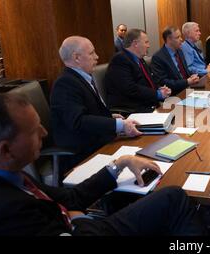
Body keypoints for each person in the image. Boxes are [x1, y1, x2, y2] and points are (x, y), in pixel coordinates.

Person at [0, 93, 204, 236]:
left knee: (168, 198)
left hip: (81, 223)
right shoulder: (7, 209)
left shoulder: (12, 173)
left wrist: (120, 163)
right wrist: (78, 219)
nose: (44, 133)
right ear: (5, 150)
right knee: (174, 197)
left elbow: (70, 198)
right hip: (90, 229)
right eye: (34, 131)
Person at [50, 36, 142, 174]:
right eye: (92, 53)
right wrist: (119, 125)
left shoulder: (80, 78)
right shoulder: (66, 84)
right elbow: (78, 121)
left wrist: (110, 117)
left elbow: (87, 112)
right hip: (83, 154)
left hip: (99, 142)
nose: (97, 57)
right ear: (76, 57)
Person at [105, 29, 171, 113]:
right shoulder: (120, 60)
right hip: (132, 109)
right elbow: (130, 89)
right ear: (135, 43)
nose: (148, 46)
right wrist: (157, 94)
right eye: (146, 42)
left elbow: (149, 80)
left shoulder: (140, 59)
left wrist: (160, 89)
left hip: (148, 104)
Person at [151, 26, 200, 95]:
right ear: (169, 39)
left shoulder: (179, 51)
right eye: (177, 37)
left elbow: (184, 72)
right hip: (175, 95)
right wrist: (186, 82)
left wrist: (192, 77)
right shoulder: (158, 57)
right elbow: (163, 82)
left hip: (188, 89)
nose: (181, 39)